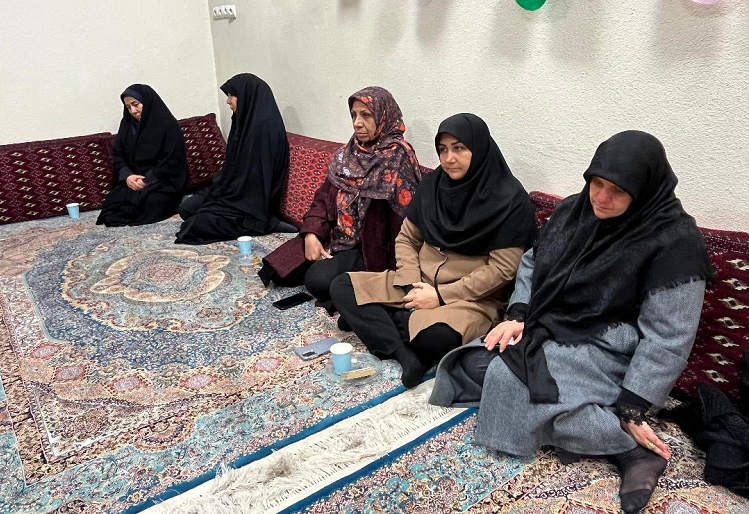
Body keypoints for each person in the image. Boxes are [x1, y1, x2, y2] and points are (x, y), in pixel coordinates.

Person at [429, 131, 713, 514]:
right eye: (597, 183)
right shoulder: (574, 212)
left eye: (617, 190)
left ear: (643, 189)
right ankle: (583, 418)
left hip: (609, 345)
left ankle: (629, 450)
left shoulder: (675, 241)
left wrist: (632, 407)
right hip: (552, 325)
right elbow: (532, 263)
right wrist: (519, 314)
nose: (601, 197)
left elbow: (669, 336)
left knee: (510, 381)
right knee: (472, 363)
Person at [330, 113, 537, 388]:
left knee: (437, 338)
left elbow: (503, 270)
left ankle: (378, 324)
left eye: (459, 148)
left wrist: (440, 296)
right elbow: (406, 238)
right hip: (418, 282)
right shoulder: (433, 186)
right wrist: (411, 281)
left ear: (479, 148)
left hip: (470, 298)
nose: (449, 158)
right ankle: (403, 353)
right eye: (443, 149)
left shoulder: (510, 200)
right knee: (341, 287)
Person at [258, 86, 422, 311]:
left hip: (369, 249)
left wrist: (399, 278)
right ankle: (338, 274)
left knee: (316, 280)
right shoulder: (349, 153)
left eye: (366, 115)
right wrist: (312, 233)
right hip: (336, 236)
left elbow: (404, 224)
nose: (357, 123)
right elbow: (323, 199)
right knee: (277, 270)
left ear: (383, 116)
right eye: (354, 115)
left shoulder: (397, 158)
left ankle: (348, 285)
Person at [175, 73, 290, 244]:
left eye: (231, 95)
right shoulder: (245, 121)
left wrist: (228, 198)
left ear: (246, 96)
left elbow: (256, 182)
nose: (228, 101)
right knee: (187, 208)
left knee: (195, 226)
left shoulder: (263, 129)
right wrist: (222, 189)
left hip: (251, 203)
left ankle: (269, 224)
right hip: (234, 190)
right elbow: (234, 167)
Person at [96, 84, 189, 226]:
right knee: (112, 204)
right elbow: (118, 154)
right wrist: (128, 176)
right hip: (133, 179)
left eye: (136, 104)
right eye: (128, 107)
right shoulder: (127, 124)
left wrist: (146, 181)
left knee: (152, 204)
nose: (133, 111)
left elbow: (171, 161)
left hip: (162, 182)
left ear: (147, 102)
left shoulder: (168, 126)